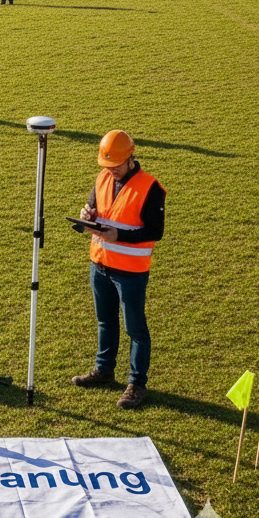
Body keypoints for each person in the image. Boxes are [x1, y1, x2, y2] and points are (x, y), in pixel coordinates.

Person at [71, 129, 166, 410]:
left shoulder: (150, 187)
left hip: (130, 272)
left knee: (135, 329)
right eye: (107, 164)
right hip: (100, 264)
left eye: (115, 165)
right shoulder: (102, 178)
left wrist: (119, 236)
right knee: (105, 321)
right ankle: (103, 370)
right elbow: (95, 208)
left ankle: (136, 383)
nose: (110, 170)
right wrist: (87, 214)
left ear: (130, 158)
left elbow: (155, 231)